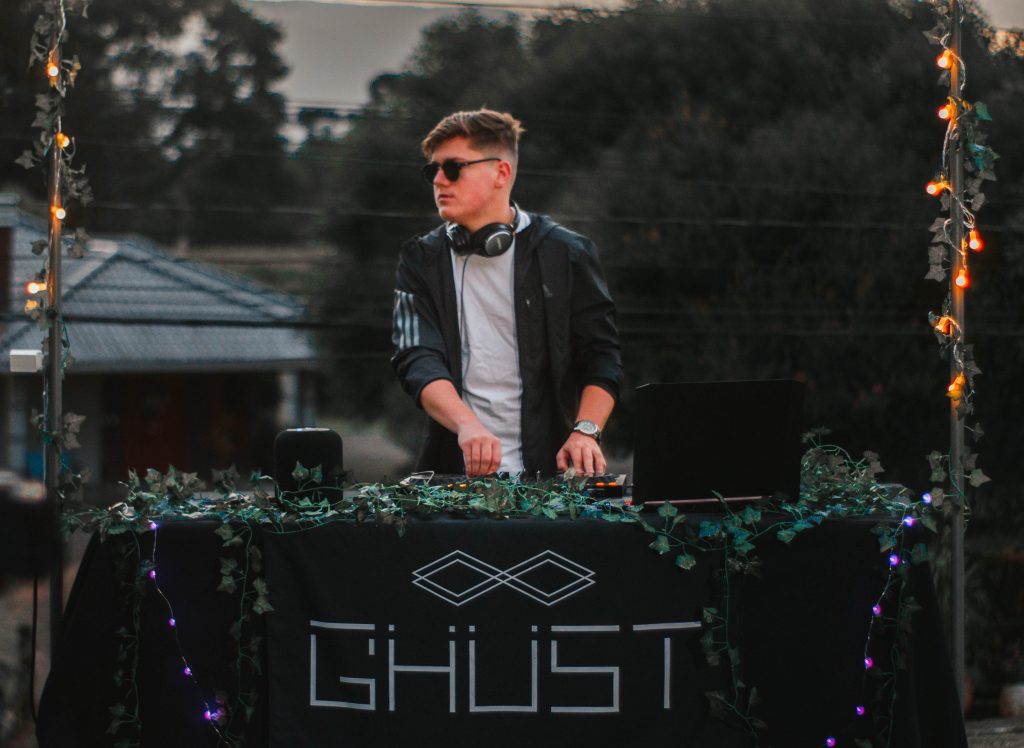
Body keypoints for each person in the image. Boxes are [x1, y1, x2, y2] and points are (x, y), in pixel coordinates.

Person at [391, 109, 622, 478]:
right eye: (432, 170)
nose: (438, 180)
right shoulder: (421, 259)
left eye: (452, 168)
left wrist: (585, 431)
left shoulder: (566, 254)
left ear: (501, 172)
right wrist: (467, 425)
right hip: (454, 479)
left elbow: (602, 357)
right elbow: (417, 356)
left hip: (550, 477)